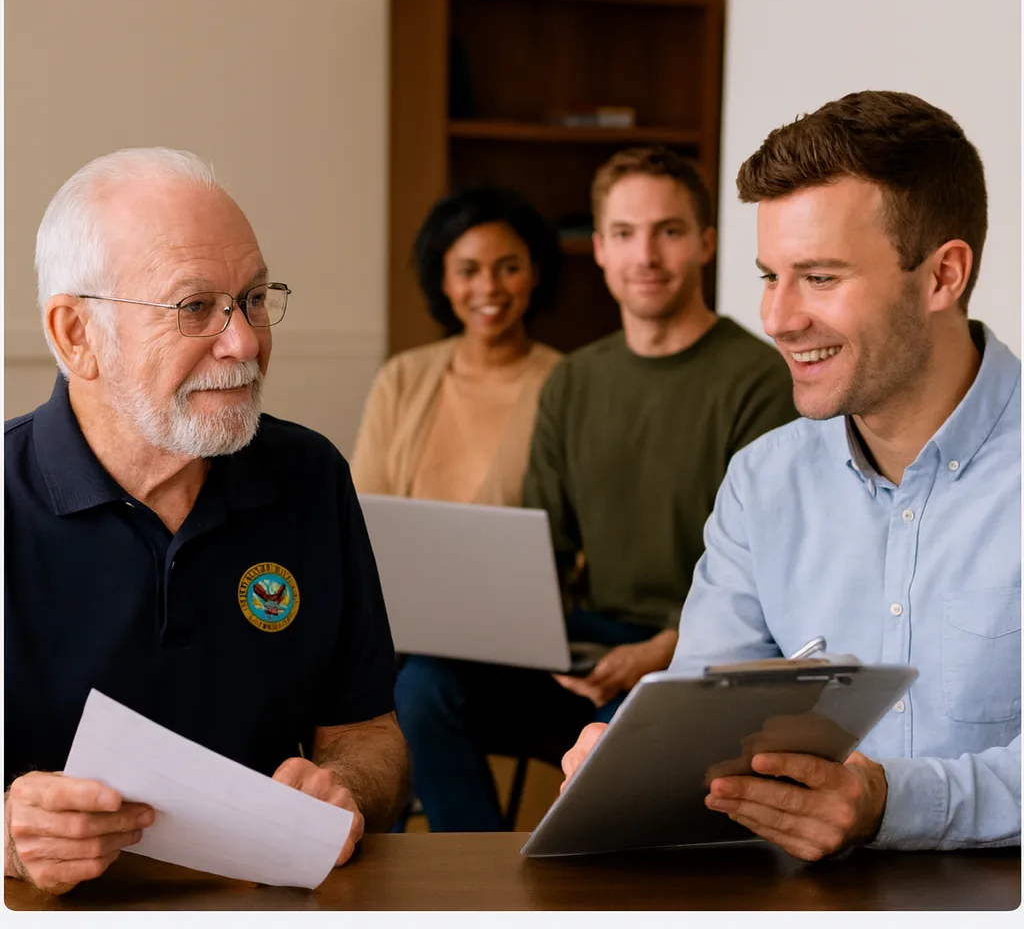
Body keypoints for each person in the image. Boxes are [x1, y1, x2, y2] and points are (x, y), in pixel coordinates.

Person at [562, 91, 1021, 859]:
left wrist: (888, 802)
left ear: (943, 276)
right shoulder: (761, 482)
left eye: (819, 277)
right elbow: (699, 728)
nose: (776, 318)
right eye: (770, 275)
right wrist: (629, 765)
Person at [4, 148, 409, 895]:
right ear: (75, 335)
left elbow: (367, 732)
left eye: (253, 298)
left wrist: (342, 788)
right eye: (195, 307)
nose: (246, 342)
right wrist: (9, 835)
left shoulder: (309, 476)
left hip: (261, 902)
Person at [396, 147, 798, 831]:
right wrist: (530, 636)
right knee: (425, 684)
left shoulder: (761, 380)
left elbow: (770, 588)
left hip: (700, 656)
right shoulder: (575, 381)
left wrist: (659, 652)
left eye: (668, 231)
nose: (644, 255)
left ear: (705, 242)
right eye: (622, 234)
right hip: (590, 649)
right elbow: (544, 553)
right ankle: (481, 873)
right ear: (600, 252)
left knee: (621, 740)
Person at [351, 186, 562, 507]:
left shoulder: (568, 383)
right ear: (444, 280)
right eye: (468, 270)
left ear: (534, 274)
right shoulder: (401, 377)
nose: (489, 287)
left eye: (509, 268)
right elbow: (363, 510)